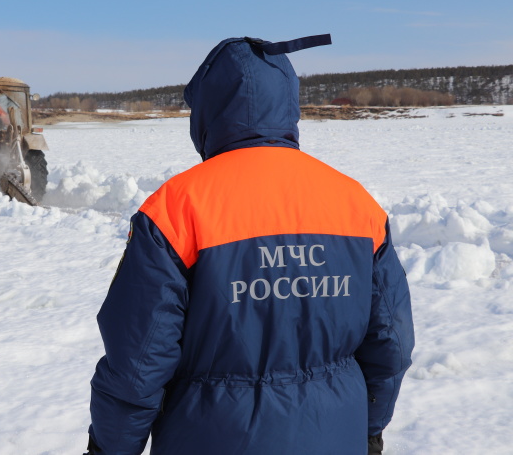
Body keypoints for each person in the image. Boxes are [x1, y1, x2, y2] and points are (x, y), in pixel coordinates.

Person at [85, 35, 414, 455]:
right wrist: (369, 428)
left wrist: (110, 448)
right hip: (334, 435)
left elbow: (138, 362)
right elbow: (393, 340)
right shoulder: (356, 204)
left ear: (207, 109)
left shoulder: (175, 208)